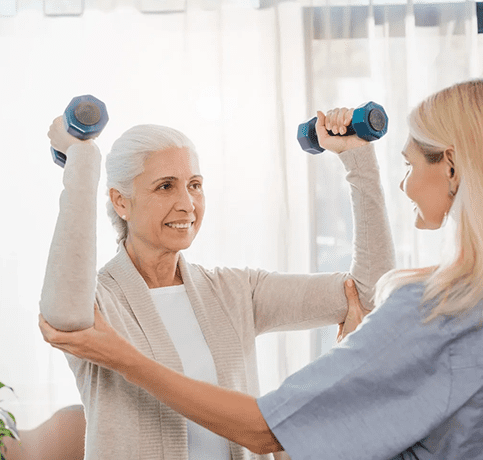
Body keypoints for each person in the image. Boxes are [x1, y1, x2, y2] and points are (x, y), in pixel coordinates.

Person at [39, 105, 394, 458]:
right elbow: (65, 318)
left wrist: (357, 157)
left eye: (195, 185)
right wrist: (82, 160)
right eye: (165, 186)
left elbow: (370, 292)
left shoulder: (236, 291)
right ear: (120, 202)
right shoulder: (99, 302)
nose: (187, 204)